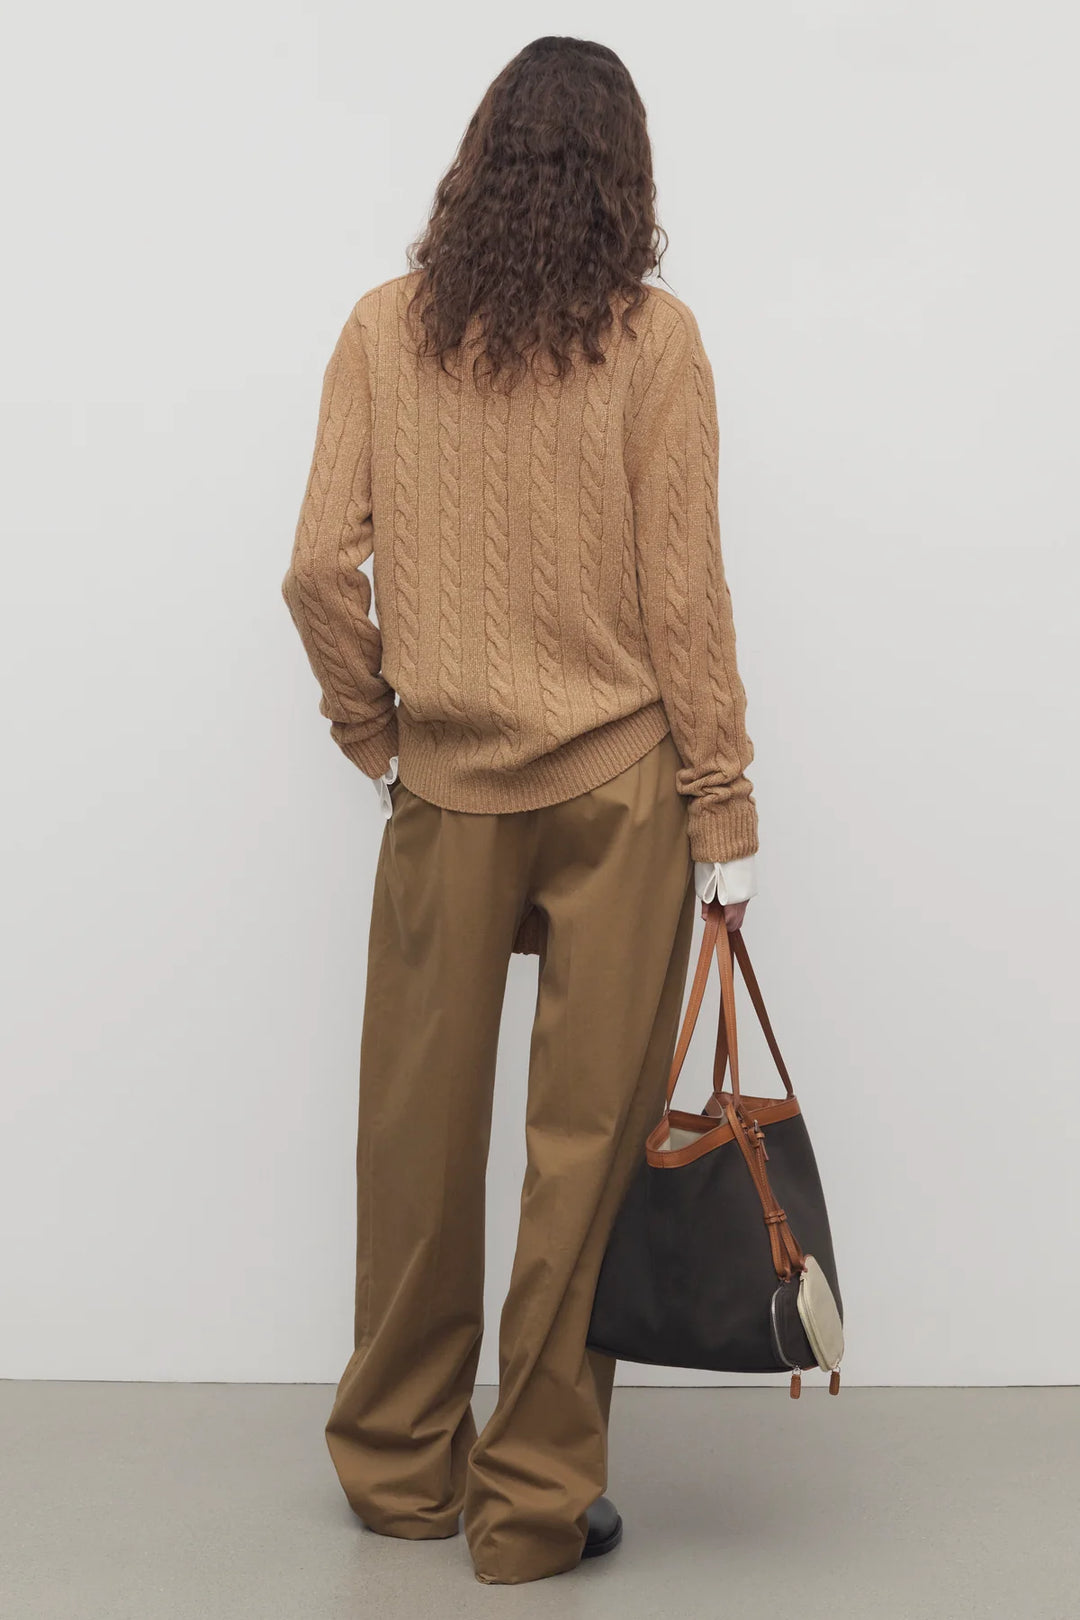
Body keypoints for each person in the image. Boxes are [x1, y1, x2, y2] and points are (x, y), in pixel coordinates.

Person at [281, 34, 759, 1587]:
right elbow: (683, 594)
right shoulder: (657, 342)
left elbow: (311, 570)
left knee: (413, 1140)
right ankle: (535, 1508)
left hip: (447, 788)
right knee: (585, 1159)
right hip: (624, 792)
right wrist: (727, 805)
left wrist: (377, 734)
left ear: (479, 156)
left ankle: (398, 1471)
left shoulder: (379, 330)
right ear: (626, 176)